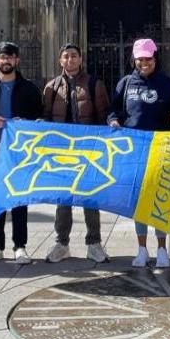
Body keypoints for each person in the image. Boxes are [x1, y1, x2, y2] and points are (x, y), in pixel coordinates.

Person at [107, 38, 170, 268]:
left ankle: (162, 249)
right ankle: (142, 249)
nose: (144, 63)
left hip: (160, 147)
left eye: (148, 59)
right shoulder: (125, 83)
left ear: (155, 59)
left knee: (160, 198)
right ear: (134, 59)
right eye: (140, 59)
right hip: (133, 150)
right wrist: (113, 120)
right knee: (139, 201)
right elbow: (114, 109)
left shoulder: (167, 83)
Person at [0, 41, 43, 265]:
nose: (6, 61)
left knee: (20, 197)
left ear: (17, 60)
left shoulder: (30, 88)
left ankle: (20, 246)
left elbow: (39, 121)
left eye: (10, 57)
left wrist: (28, 124)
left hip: (20, 153)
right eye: (2, 57)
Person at [41, 43, 111, 264]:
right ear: (60, 61)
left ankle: (94, 244)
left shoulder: (94, 84)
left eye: (74, 56)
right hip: (62, 151)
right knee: (63, 200)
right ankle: (62, 244)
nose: (70, 60)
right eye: (66, 57)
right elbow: (45, 119)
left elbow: (104, 115)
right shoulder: (51, 87)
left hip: (88, 150)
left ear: (81, 59)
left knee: (91, 199)